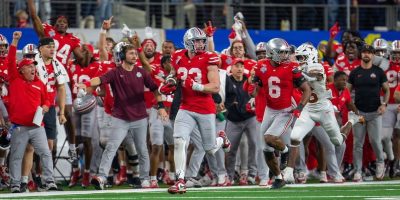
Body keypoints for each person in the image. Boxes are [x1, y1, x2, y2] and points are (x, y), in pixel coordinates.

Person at [80, 41, 167, 190]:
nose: (135, 56)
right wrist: (87, 84)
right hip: (120, 117)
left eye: (135, 53)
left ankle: (145, 179)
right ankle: (101, 177)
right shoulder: (115, 72)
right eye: (131, 53)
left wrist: (161, 107)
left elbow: (155, 89)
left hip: (139, 117)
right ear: (122, 56)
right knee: (111, 147)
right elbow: (99, 80)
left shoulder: (142, 72)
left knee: (142, 149)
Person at [166, 27, 231, 194]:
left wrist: (195, 85)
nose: (201, 44)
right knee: (179, 140)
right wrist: (170, 81)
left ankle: (221, 140)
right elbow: (174, 73)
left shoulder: (209, 58)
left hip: (205, 108)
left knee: (209, 148)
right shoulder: (178, 56)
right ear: (188, 42)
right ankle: (180, 180)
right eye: (198, 41)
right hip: (185, 106)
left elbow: (215, 86)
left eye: (203, 41)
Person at [254, 38, 311, 189]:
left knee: (269, 137)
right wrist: (254, 98)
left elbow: (307, 89)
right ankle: (279, 178)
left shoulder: (292, 67)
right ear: (271, 53)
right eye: (281, 53)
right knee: (265, 148)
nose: (285, 56)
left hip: (285, 110)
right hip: (269, 109)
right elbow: (259, 84)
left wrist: (299, 107)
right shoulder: (261, 66)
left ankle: (285, 151)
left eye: (286, 52)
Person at [7, 31, 57, 193]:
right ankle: (15, 184)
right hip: (19, 127)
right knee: (16, 156)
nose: (33, 69)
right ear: (21, 70)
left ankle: (49, 182)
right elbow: (10, 60)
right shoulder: (15, 80)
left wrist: (46, 106)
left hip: (37, 127)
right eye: (29, 66)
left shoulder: (40, 84)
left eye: (34, 66)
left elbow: (47, 99)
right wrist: (15, 41)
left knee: (46, 154)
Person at [348, 44, 390, 181]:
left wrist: (384, 104)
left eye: (369, 52)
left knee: (375, 142)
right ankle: (358, 171)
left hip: (375, 112)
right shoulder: (355, 72)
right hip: (359, 112)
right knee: (357, 144)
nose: (366, 54)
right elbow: (347, 92)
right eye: (364, 52)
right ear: (361, 54)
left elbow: (387, 90)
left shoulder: (378, 71)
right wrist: (351, 107)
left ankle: (380, 163)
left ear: (373, 55)